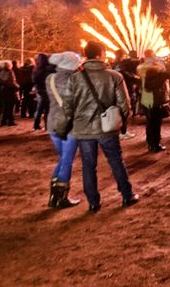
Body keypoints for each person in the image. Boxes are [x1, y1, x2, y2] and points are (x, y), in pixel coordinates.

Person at [59, 40, 137, 212]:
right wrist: (123, 124)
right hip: (107, 127)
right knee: (116, 161)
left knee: (88, 165)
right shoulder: (114, 76)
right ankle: (126, 195)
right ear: (100, 54)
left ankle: (93, 202)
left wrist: (71, 123)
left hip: (83, 128)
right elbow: (125, 104)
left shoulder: (75, 78)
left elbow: (67, 105)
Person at [44, 51, 82, 209]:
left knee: (63, 158)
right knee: (66, 160)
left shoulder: (50, 78)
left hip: (53, 122)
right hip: (69, 124)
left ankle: (53, 196)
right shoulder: (75, 81)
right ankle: (61, 198)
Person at [137, 53, 170, 152]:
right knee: (156, 123)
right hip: (155, 98)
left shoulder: (140, 67)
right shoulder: (156, 69)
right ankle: (156, 144)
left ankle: (150, 142)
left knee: (149, 122)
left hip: (145, 96)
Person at [32, 53, 52, 131]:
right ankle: (47, 126)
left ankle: (36, 125)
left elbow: (33, 80)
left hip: (39, 90)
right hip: (47, 90)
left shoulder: (36, 69)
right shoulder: (49, 69)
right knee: (47, 109)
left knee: (39, 108)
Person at [0, 61, 19, 126]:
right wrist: (17, 86)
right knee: (10, 106)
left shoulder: (1, 72)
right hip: (10, 90)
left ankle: (3, 121)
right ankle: (10, 121)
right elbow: (11, 82)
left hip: (3, 90)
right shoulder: (10, 72)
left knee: (6, 107)